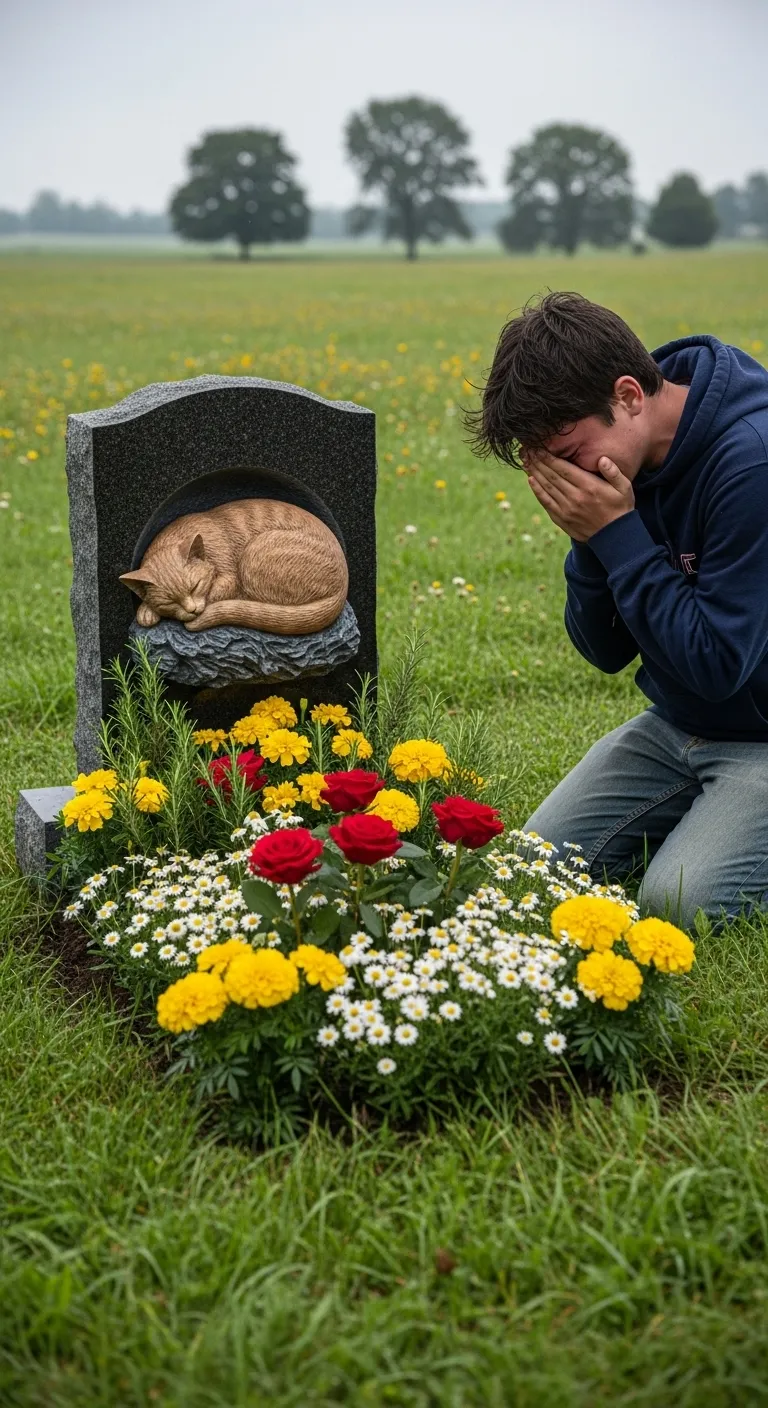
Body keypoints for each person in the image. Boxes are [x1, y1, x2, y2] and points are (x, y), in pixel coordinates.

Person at [470, 291, 768, 930]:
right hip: (678, 724)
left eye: (570, 454)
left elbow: (719, 665)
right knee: (534, 867)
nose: (567, 479)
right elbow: (606, 652)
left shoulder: (752, 460)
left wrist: (617, 534)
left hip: (761, 734)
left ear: (630, 395)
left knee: (679, 904)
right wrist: (590, 539)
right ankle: (708, 823)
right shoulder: (618, 466)